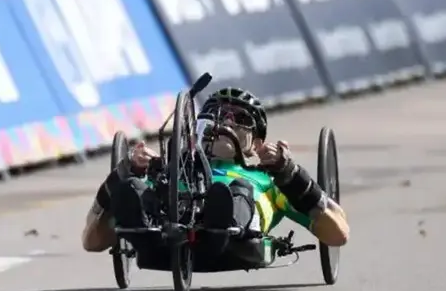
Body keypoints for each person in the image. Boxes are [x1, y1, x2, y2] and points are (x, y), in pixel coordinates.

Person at [81, 87, 350, 255]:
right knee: (134, 189)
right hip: (164, 227)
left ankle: (224, 220)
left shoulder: (269, 181)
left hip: (237, 230)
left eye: (240, 118)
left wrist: (290, 173)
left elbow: (338, 233)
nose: (226, 121)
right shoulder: (170, 174)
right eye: (217, 113)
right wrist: (123, 172)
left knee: (235, 191)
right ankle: (141, 227)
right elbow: (91, 241)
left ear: (256, 144)